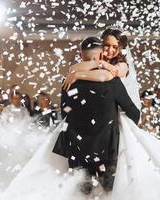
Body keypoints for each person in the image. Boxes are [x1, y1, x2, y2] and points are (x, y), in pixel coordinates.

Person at [0, 28, 160, 200]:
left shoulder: (120, 66)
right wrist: (84, 69)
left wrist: (81, 72)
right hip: (103, 130)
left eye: (114, 47)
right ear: (101, 47)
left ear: (120, 49)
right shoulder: (92, 68)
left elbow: (108, 76)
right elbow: (87, 74)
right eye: (107, 46)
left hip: (100, 125)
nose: (110, 50)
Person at [53, 37, 140, 193]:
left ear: (81, 55)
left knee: (81, 193)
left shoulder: (68, 81)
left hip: (77, 149)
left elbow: (64, 111)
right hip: (106, 149)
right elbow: (133, 112)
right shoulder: (112, 81)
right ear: (101, 57)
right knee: (107, 193)